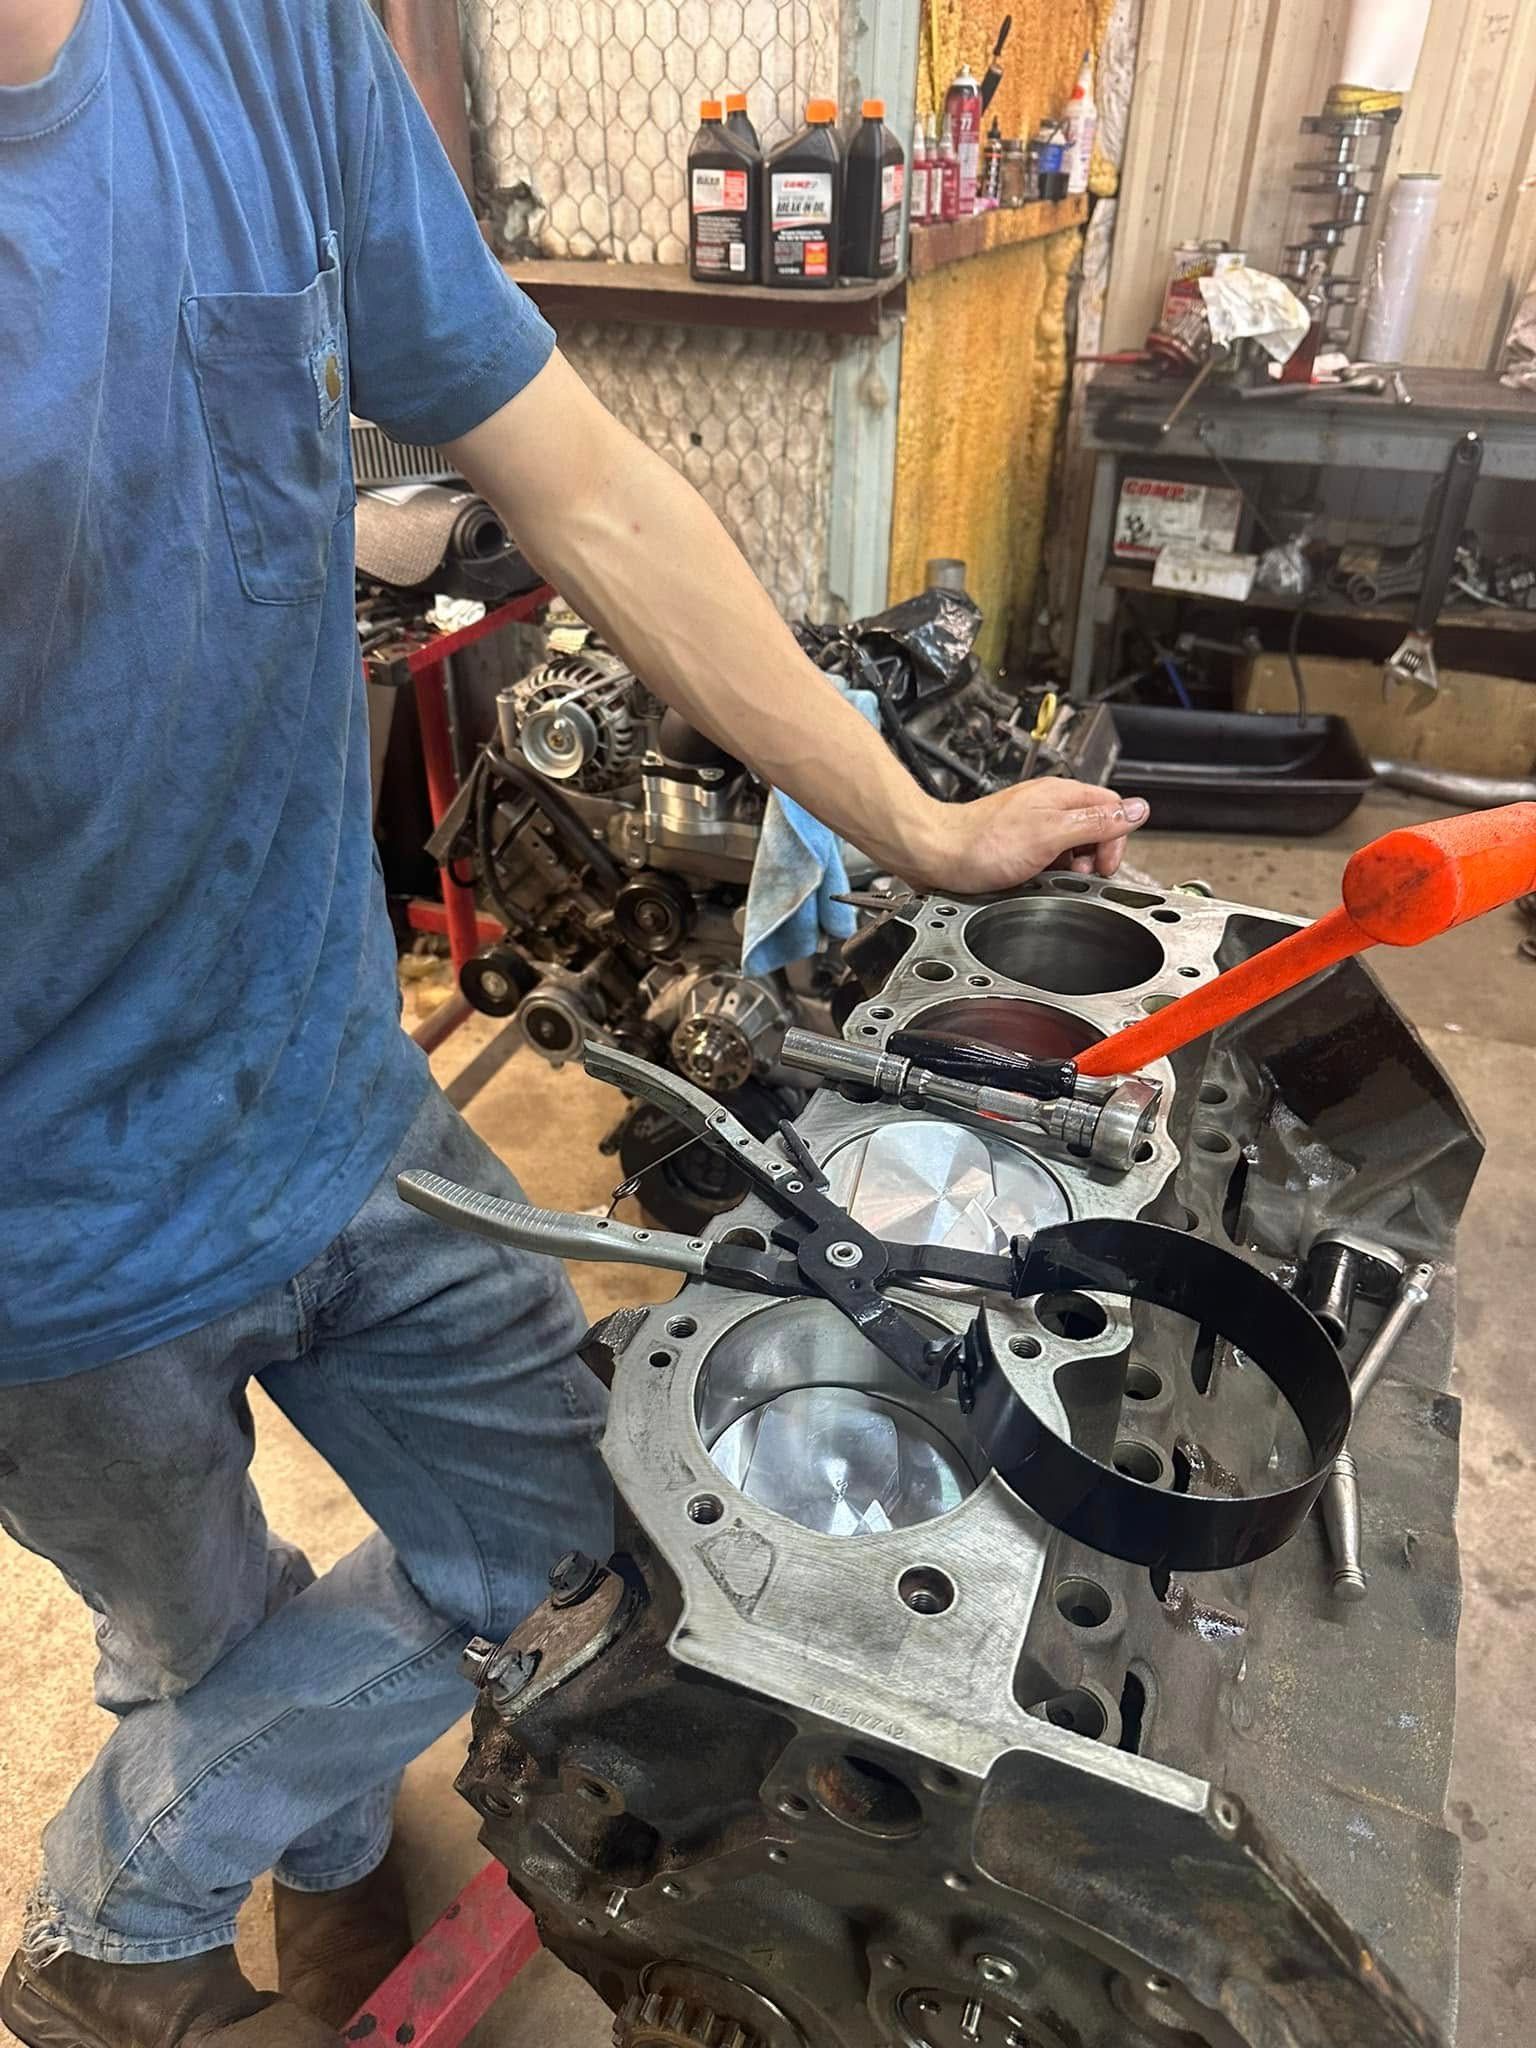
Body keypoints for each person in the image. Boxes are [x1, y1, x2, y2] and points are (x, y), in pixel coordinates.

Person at [0, 0, 1149, 2040]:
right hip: (45, 1242)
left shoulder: (258, 37)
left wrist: (911, 819)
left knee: (592, 1550)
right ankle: (290, 1882)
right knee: (196, 1633)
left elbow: (585, 481)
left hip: (333, 1087)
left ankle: (131, 1888)